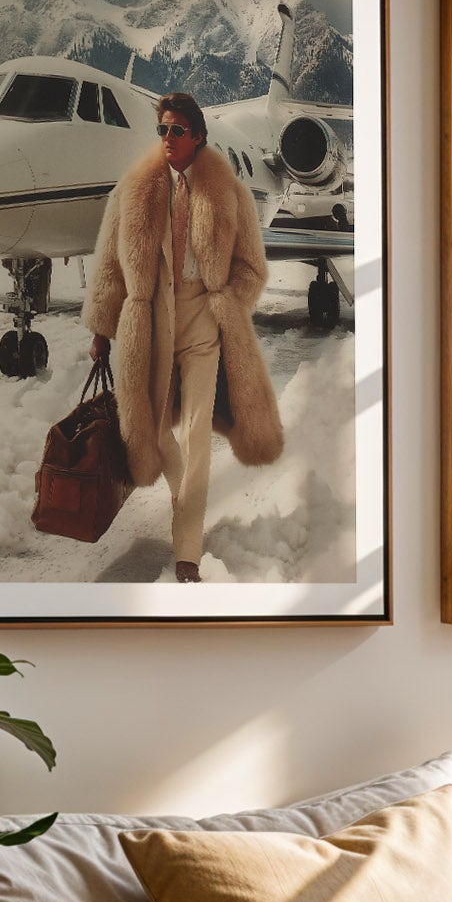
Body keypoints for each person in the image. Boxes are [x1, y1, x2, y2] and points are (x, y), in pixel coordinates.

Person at [84, 92, 282, 582]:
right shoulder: (133, 190)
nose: (168, 138)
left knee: (195, 434)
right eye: (162, 130)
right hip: (150, 319)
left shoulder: (230, 193)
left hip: (202, 321)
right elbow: (109, 266)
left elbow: (252, 269)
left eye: (177, 130)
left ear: (197, 136)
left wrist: (226, 304)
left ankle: (187, 551)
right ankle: (183, 498)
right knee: (151, 430)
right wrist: (102, 331)